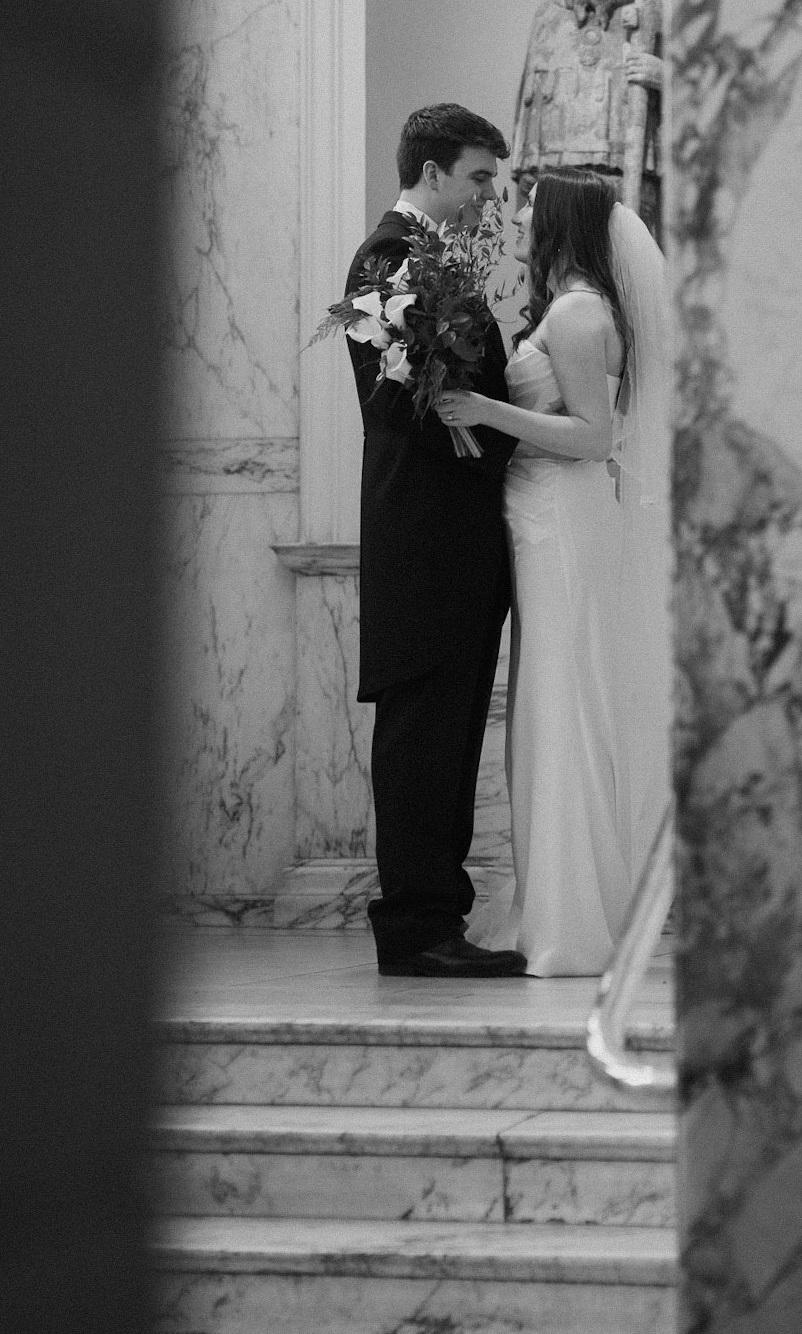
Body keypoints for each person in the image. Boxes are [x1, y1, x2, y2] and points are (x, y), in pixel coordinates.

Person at [436, 166, 671, 976]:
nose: (524, 223)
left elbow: (590, 436)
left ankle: (571, 926)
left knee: (561, 705)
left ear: (563, 223)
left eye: (534, 211)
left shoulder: (576, 314)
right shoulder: (575, 306)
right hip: (543, 520)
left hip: (562, 523)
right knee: (551, 702)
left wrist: (484, 412)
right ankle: (567, 906)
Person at [346, 104, 527, 978]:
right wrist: (488, 419)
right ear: (431, 175)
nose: (487, 196)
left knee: (448, 735)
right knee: (422, 736)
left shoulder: (432, 257)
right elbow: (394, 404)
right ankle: (416, 928)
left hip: (451, 540)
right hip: (422, 539)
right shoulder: (388, 257)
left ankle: (437, 916)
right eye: (479, 177)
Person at [510, 0, 664, 242]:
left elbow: (700, 93)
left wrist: (661, 74)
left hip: (624, 176)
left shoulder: (646, 12)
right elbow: (527, 110)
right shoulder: (547, 18)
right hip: (551, 179)